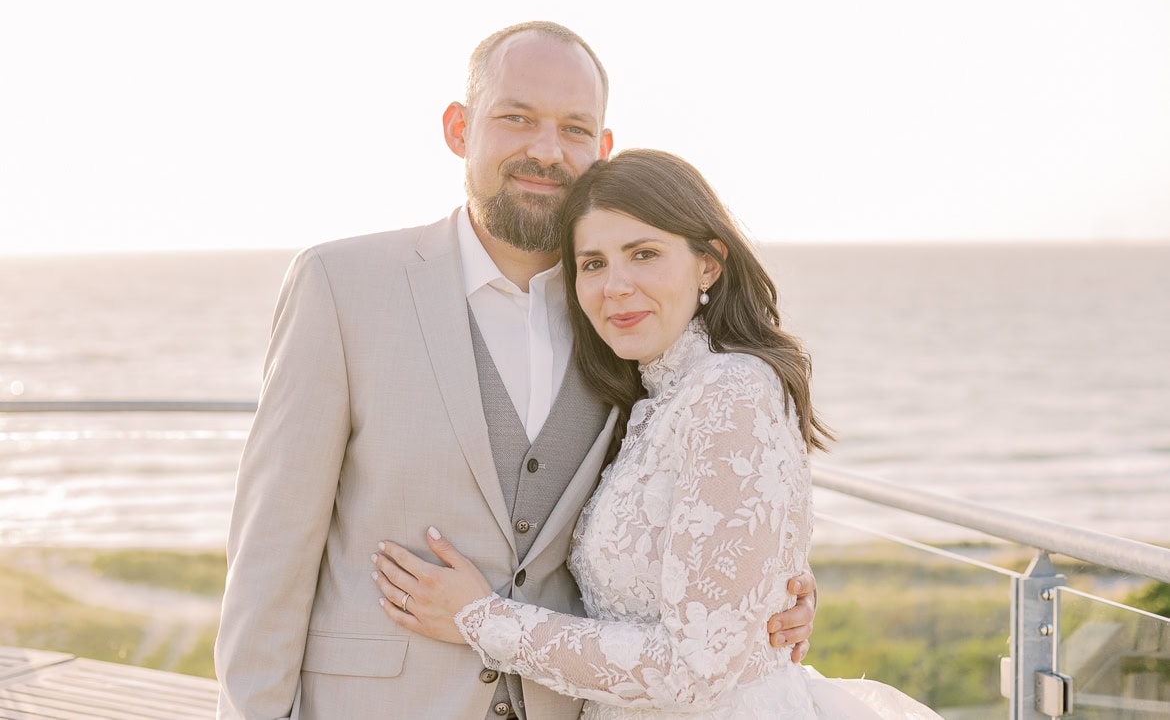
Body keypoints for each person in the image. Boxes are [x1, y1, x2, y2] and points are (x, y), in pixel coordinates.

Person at [214, 22, 816, 720]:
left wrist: (776, 589)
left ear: (602, 150)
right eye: (517, 118)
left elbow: (706, 517)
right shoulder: (340, 285)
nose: (544, 149)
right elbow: (271, 554)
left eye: (573, 128)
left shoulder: (629, 327)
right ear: (458, 128)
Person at [371, 150, 945, 718]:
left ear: (709, 264)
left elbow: (692, 671)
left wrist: (481, 620)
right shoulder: (653, 400)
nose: (615, 286)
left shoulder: (729, 389)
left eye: (643, 254)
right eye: (592, 263)